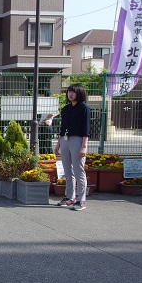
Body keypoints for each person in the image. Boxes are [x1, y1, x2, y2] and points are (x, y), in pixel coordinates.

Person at [54, 83, 91, 211]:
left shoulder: (84, 108)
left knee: (78, 170)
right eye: (69, 91)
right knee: (67, 170)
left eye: (73, 92)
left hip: (77, 140)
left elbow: (86, 129)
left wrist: (84, 146)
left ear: (79, 93)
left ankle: (81, 200)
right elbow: (62, 128)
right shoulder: (66, 109)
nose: (70, 94)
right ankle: (70, 197)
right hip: (65, 139)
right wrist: (58, 144)